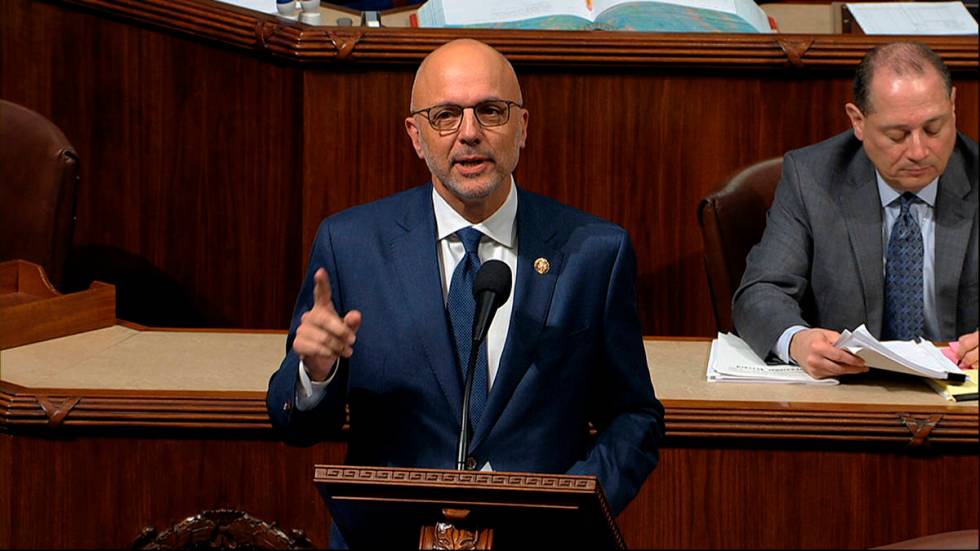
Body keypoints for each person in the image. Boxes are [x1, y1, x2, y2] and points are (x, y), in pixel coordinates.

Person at [266, 38, 664, 544]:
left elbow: (635, 417)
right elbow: (293, 423)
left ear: (522, 127)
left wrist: (570, 504)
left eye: (490, 112)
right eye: (446, 116)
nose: (469, 133)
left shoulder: (593, 253)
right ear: (415, 135)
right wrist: (315, 374)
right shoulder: (351, 246)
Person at [733, 41, 978, 379]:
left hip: (962, 394)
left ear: (952, 106)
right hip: (850, 390)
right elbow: (761, 291)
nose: (919, 150)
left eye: (933, 129)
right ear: (858, 121)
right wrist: (797, 341)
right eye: (898, 135)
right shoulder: (813, 178)